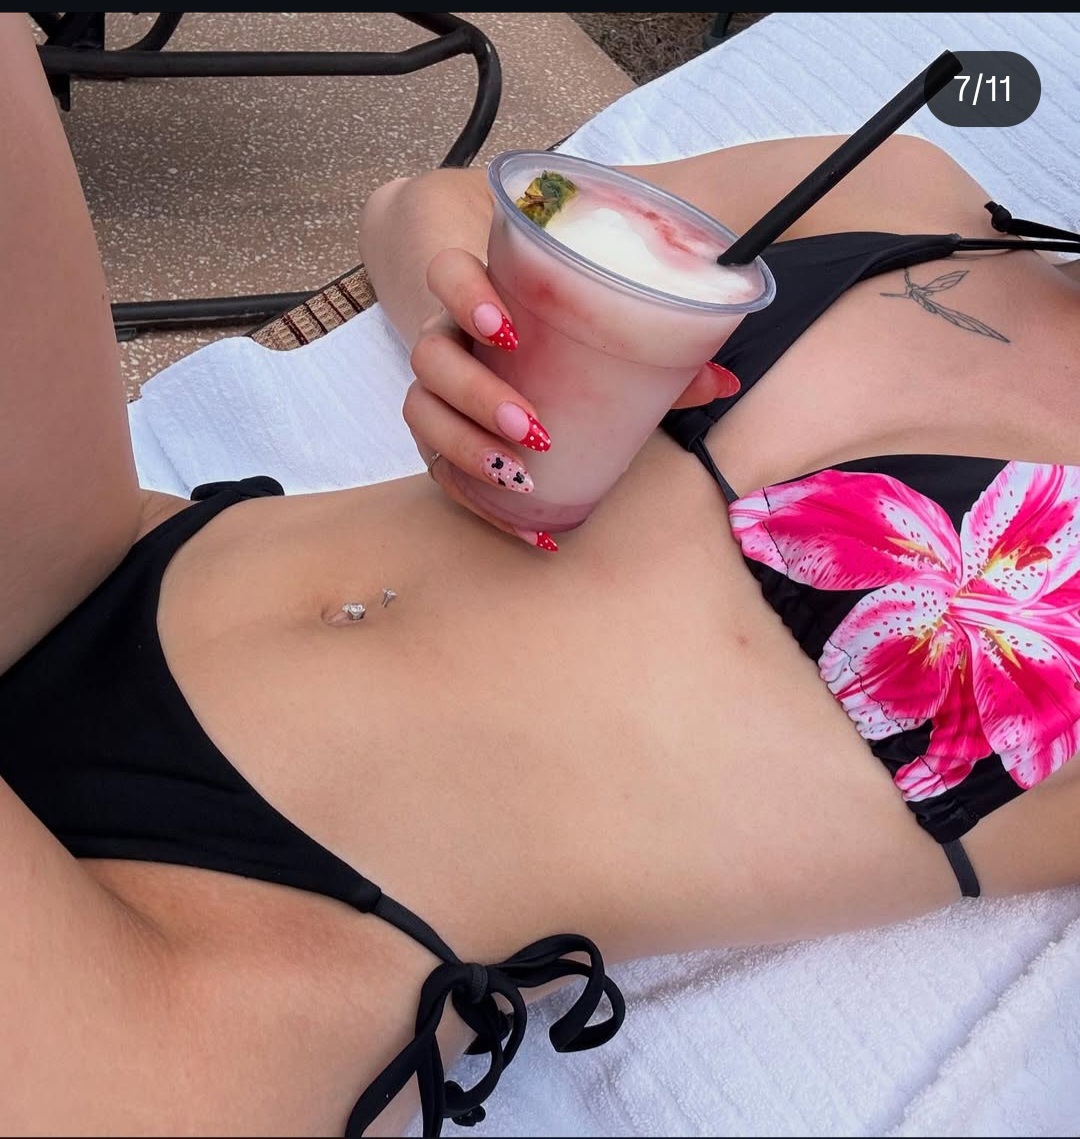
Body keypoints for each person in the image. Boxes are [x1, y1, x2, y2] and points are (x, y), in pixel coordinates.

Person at [3, 11, 1080, 1136]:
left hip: (251, 958)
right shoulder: (900, 187)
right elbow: (433, 205)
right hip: (114, 564)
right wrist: (472, 330)